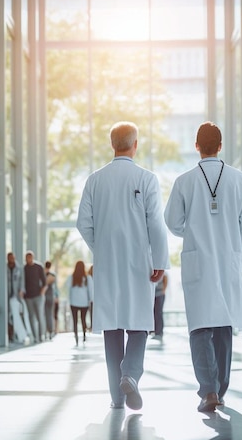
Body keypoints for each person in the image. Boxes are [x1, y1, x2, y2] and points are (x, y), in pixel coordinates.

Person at [77, 121, 170, 410]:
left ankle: (117, 398)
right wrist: (159, 262)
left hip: (107, 265)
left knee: (112, 327)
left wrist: (101, 249)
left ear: (111, 144)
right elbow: (155, 222)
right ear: (135, 144)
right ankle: (130, 373)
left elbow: (83, 223)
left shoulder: (95, 179)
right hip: (138, 263)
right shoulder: (146, 178)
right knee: (140, 322)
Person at [164, 121, 242, 412]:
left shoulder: (185, 181)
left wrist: (191, 231)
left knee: (201, 327)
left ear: (196, 147)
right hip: (229, 260)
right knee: (224, 326)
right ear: (220, 146)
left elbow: (172, 222)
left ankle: (208, 390)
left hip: (198, 260)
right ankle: (221, 388)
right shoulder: (240, 180)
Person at [66, 260, 94, 347]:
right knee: (83, 319)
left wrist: (69, 300)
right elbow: (91, 290)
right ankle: (84, 336)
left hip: (73, 302)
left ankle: (76, 336)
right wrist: (91, 300)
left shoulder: (72, 277)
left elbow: (68, 289)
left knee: (75, 320)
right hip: (84, 303)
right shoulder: (87, 278)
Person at [24, 250, 47, 343]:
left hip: (38, 296)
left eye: (29, 257)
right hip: (28, 297)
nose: (28, 259)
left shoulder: (39, 267)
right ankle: (35, 337)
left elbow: (45, 282)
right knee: (31, 317)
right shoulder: (24, 268)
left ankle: (42, 335)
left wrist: (42, 293)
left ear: (32, 258)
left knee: (40, 316)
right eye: (27, 258)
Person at [7, 252, 30, 343]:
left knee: (17, 316)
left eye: (12, 258)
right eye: (9, 258)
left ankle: (21, 335)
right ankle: (12, 335)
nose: (11, 260)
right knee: (10, 317)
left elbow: (22, 281)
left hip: (16, 296)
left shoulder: (19, 268)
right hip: (7, 296)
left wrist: (22, 291)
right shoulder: (5, 268)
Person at [152, 271, 168, 343]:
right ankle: (153, 331)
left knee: (158, 313)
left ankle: (159, 332)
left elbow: (165, 278)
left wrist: (163, 290)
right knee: (153, 313)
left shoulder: (161, 270)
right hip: (153, 294)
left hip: (159, 294)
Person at [44, 261, 57, 340]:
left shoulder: (44, 274)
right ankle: (51, 331)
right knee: (50, 314)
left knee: (46, 315)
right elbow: (55, 288)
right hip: (51, 296)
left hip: (45, 296)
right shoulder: (53, 275)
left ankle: (48, 331)